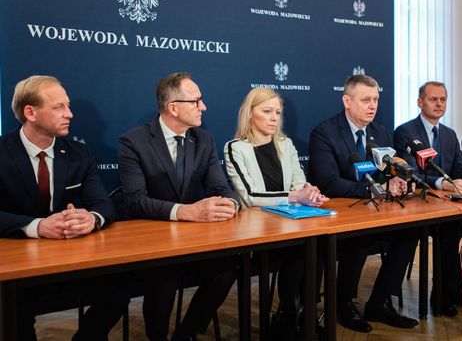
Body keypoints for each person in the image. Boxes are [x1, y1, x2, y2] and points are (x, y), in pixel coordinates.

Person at [0, 75, 127, 340]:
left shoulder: (79, 153)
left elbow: (103, 204)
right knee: (14, 312)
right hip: (16, 263)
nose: (69, 114)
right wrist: (37, 226)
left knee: (116, 295)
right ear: (30, 112)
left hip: (69, 258)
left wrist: (91, 218)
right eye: (58, 107)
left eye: (67, 106)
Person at [118, 72, 240, 341]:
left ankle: (186, 333)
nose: (203, 107)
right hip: (152, 239)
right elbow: (135, 200)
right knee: (164, 279)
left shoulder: (204, 140)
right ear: (173, 108)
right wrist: (185, 211)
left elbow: (221, 188)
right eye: (196, 101)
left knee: (225, 271)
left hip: (190, 240)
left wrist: (230, 204)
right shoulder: (134, 141)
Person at [309, 74, 419, 333]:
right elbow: (328, 183)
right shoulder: (324, 133)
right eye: (365, 100)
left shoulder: (380, 132)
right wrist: (377, 190)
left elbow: (387, 171)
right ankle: (344, 304)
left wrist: (398, 182)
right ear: (347, 101)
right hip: (337, 214)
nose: (372, 106)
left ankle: (379, 302)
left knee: (410, 231)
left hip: (373, 209)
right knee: (359, 237)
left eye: (376, 100)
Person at [225, 87, 328, 340]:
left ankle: (302, 312)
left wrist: (309, 192)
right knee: (299, 249)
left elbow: (298, 184)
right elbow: (250, 197)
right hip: (256, 231)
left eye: (278, 112)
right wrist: (296, 196)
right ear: (250, 114)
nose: (274, 118)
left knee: (316, 244)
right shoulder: (235, 148)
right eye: (267, 111)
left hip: (290, 222)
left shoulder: (285, 143)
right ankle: (289, 314)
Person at [394, 81, 462, 317]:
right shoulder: (406, 132)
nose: (439, 104)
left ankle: (460, 286)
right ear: (420, 102)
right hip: (420, 204)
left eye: (443, 99)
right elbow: (412, 173)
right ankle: (441, 294)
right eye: (433, 99)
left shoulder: (449, 134)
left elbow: (461, 169)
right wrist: (442, 182)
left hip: (448, 203)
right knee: (449, 230)